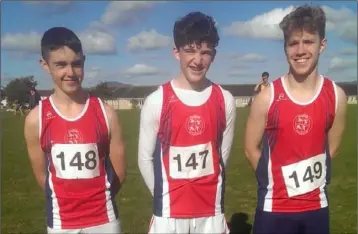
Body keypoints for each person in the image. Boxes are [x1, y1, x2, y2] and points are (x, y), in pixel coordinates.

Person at [244, 5, 347, 234]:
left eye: (308, 41)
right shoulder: (267, 97)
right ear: (285, 48)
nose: (300, 50)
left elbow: (332, 148)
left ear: (322, 44)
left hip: (316, 206)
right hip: (274, 208)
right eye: (293, 43)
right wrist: (274, 183)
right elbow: (251, 149)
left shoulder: (336, 96)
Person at [138, 11, 236, 234]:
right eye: (190, 51)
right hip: (169, 216)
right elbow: (144, 159)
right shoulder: (157, 101)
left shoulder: (225, 100)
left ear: (213, 55)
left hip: (211, 213)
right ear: (176, 52)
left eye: (205, 52)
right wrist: (165, 197)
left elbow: (222, 158)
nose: (197, 60)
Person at [24, 27, 126, 234]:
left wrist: (98, 200)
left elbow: (119, 173)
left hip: (104, 219)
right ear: (45, 65)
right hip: (61, 222)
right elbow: (42, 177)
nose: (70, 73)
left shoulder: (106, 114)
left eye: (76, 64)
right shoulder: (36, 119)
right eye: (60, 65)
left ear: (84, 62)